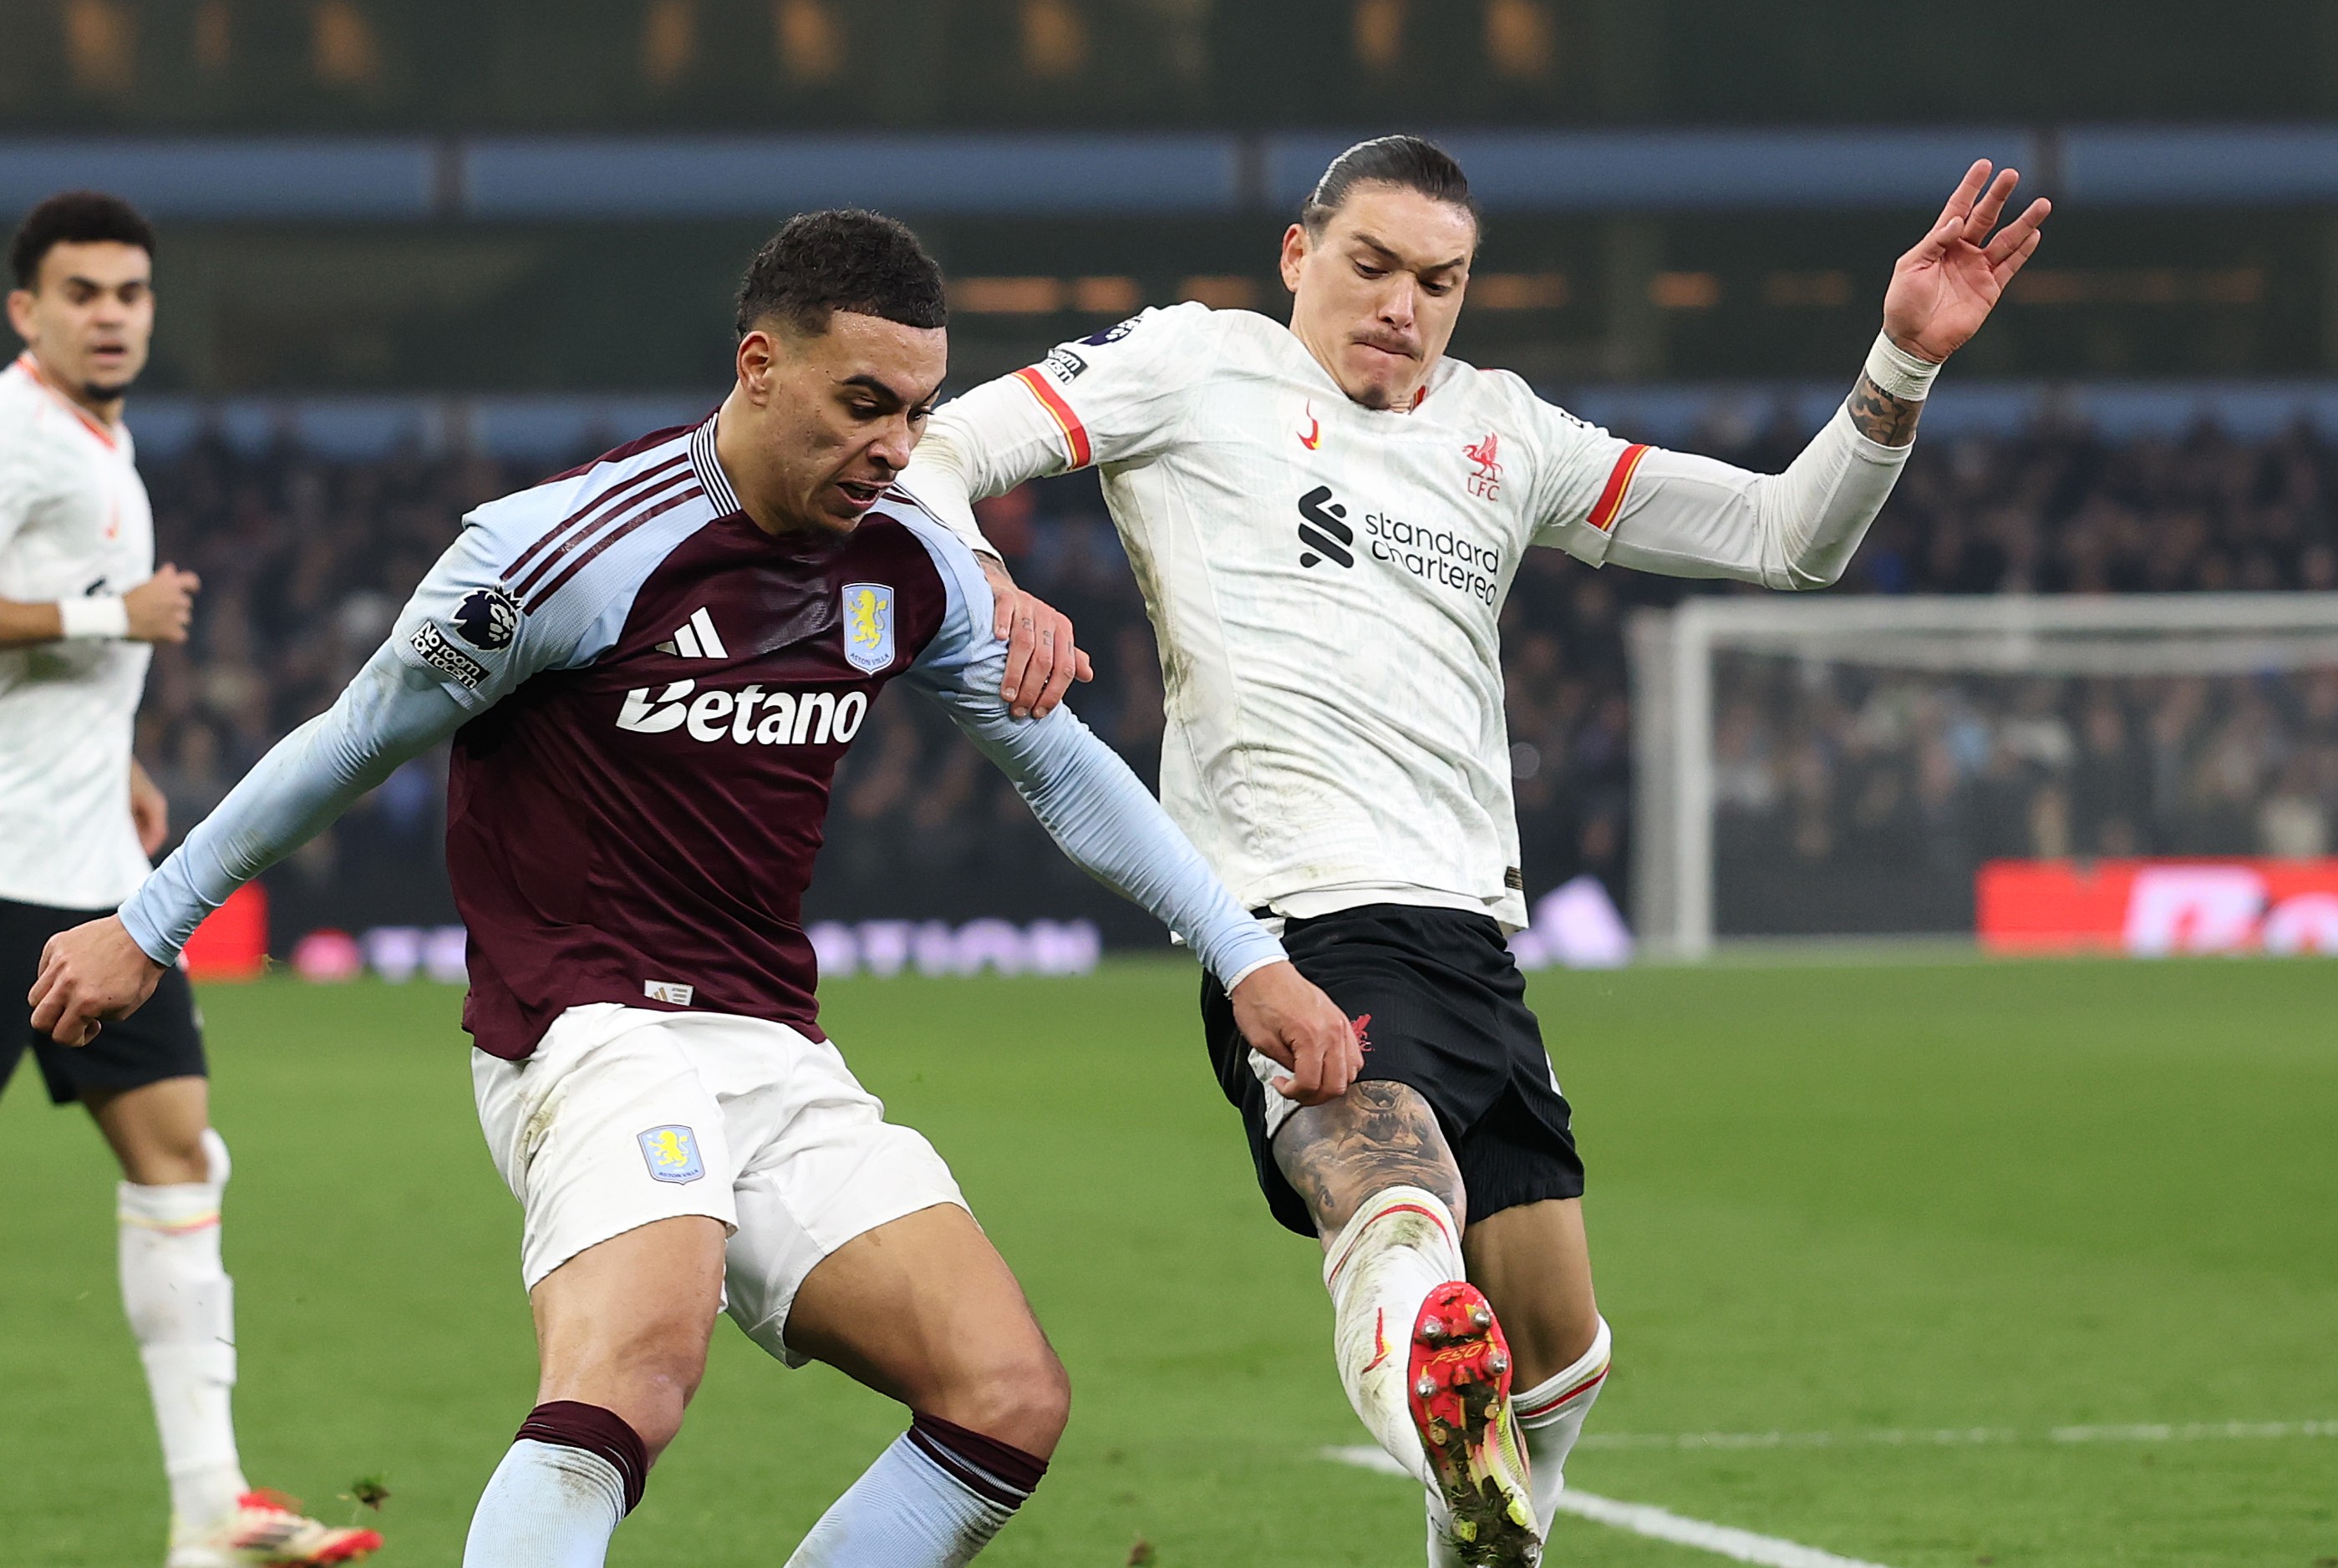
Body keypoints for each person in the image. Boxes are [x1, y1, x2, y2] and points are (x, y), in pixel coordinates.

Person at [32, 207, 1360, 1568]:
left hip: (770, 1039)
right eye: (860, 403)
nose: (894, 447)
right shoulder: (562, 548)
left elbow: (1066, 775)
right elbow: (354, 738)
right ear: (758, 364)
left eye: (915, 411)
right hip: (587, 1025)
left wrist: (1246, 955)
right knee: (636, 1375)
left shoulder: (905, 560)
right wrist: (151, 921)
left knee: (1004, 1396)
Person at [901, 137, 2049, 1564]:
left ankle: (1466, 1470)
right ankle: (1423, 1348)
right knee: (1391, 1201)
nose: (1401, 305)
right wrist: (991, 579)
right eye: (1370, 265)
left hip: (1469, 937)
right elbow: (939, 445)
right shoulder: (1194, 363)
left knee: (1560, 1359)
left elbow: (1783, 536)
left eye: (1437, 281)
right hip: (1293, 912)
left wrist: (1899, 362)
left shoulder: (1507, 433)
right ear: (1296, 256)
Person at [1, 190, 383, 1568]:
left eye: (132, 293)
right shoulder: (16, 428)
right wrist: (116, 614)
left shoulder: (105, 441)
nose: (112, 313)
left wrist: (123, 769)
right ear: (25, 307)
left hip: (93, 878)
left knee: (178, 1161)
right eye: (83, 291)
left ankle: (211, 1508)